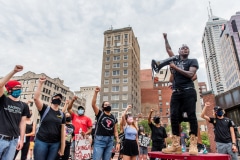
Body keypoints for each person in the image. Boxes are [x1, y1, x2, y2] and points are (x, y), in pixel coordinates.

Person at [162, 33, 199, 155]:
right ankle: (176, 145)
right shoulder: (175, 59)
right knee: (173, 117)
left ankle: (193, 145)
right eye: (182, 48)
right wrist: (166, 38)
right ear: (179, 51)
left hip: (188, 91)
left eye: (187, 48)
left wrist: (174, 67)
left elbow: (190, 75)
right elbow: (168, 49)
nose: (185, 49)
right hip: (176, 93)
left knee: (192, 116)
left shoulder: (192, 61)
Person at [0, 65, 29, 160]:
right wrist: (14, 71)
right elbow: (1, 85)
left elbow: (23, 122)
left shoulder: (23, 105)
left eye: (20, 88)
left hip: (13, 140)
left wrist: (21, 140)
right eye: (16, 87)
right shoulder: (3, 99)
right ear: (10, 89)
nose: (19, 90)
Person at [33, 76, 65, 160]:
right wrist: (40, 84)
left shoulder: (62, 114)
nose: (58, 99)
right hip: (41, 142)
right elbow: (36, 99)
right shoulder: (45, 109)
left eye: (60, 98)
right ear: (51, 100)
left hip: (55, 144)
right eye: (56, 98)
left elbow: (63, 132)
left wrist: (62, 148)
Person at [91, 86, 120, 160]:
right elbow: (93, 104)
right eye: (106, 105)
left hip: (110, 141)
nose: (108, 106)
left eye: (109, 104)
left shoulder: (114, 117)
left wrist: (117, 142)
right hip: (100, 140)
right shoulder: (100, 114)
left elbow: (116, 131)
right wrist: (96, 93)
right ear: (103, 107)